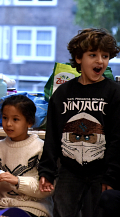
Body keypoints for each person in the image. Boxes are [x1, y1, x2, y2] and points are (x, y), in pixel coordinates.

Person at [38, 28, 120, 217]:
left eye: (105, 56)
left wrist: (112, 175)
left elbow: (118, 138)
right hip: (69, 171)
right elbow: (52, 135)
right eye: (93, 55)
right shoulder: (62, 93)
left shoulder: (114, 92)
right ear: (78, 58)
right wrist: (47, 171)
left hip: (101, 172)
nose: (100, 61)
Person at [0, 94, 53, 217]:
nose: (8, 124)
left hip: (33, 210)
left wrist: (17, 181)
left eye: (15, 119)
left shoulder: (40, 148)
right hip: (0, 208)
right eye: (5, 118)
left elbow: (47, 188)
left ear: (29, 122)